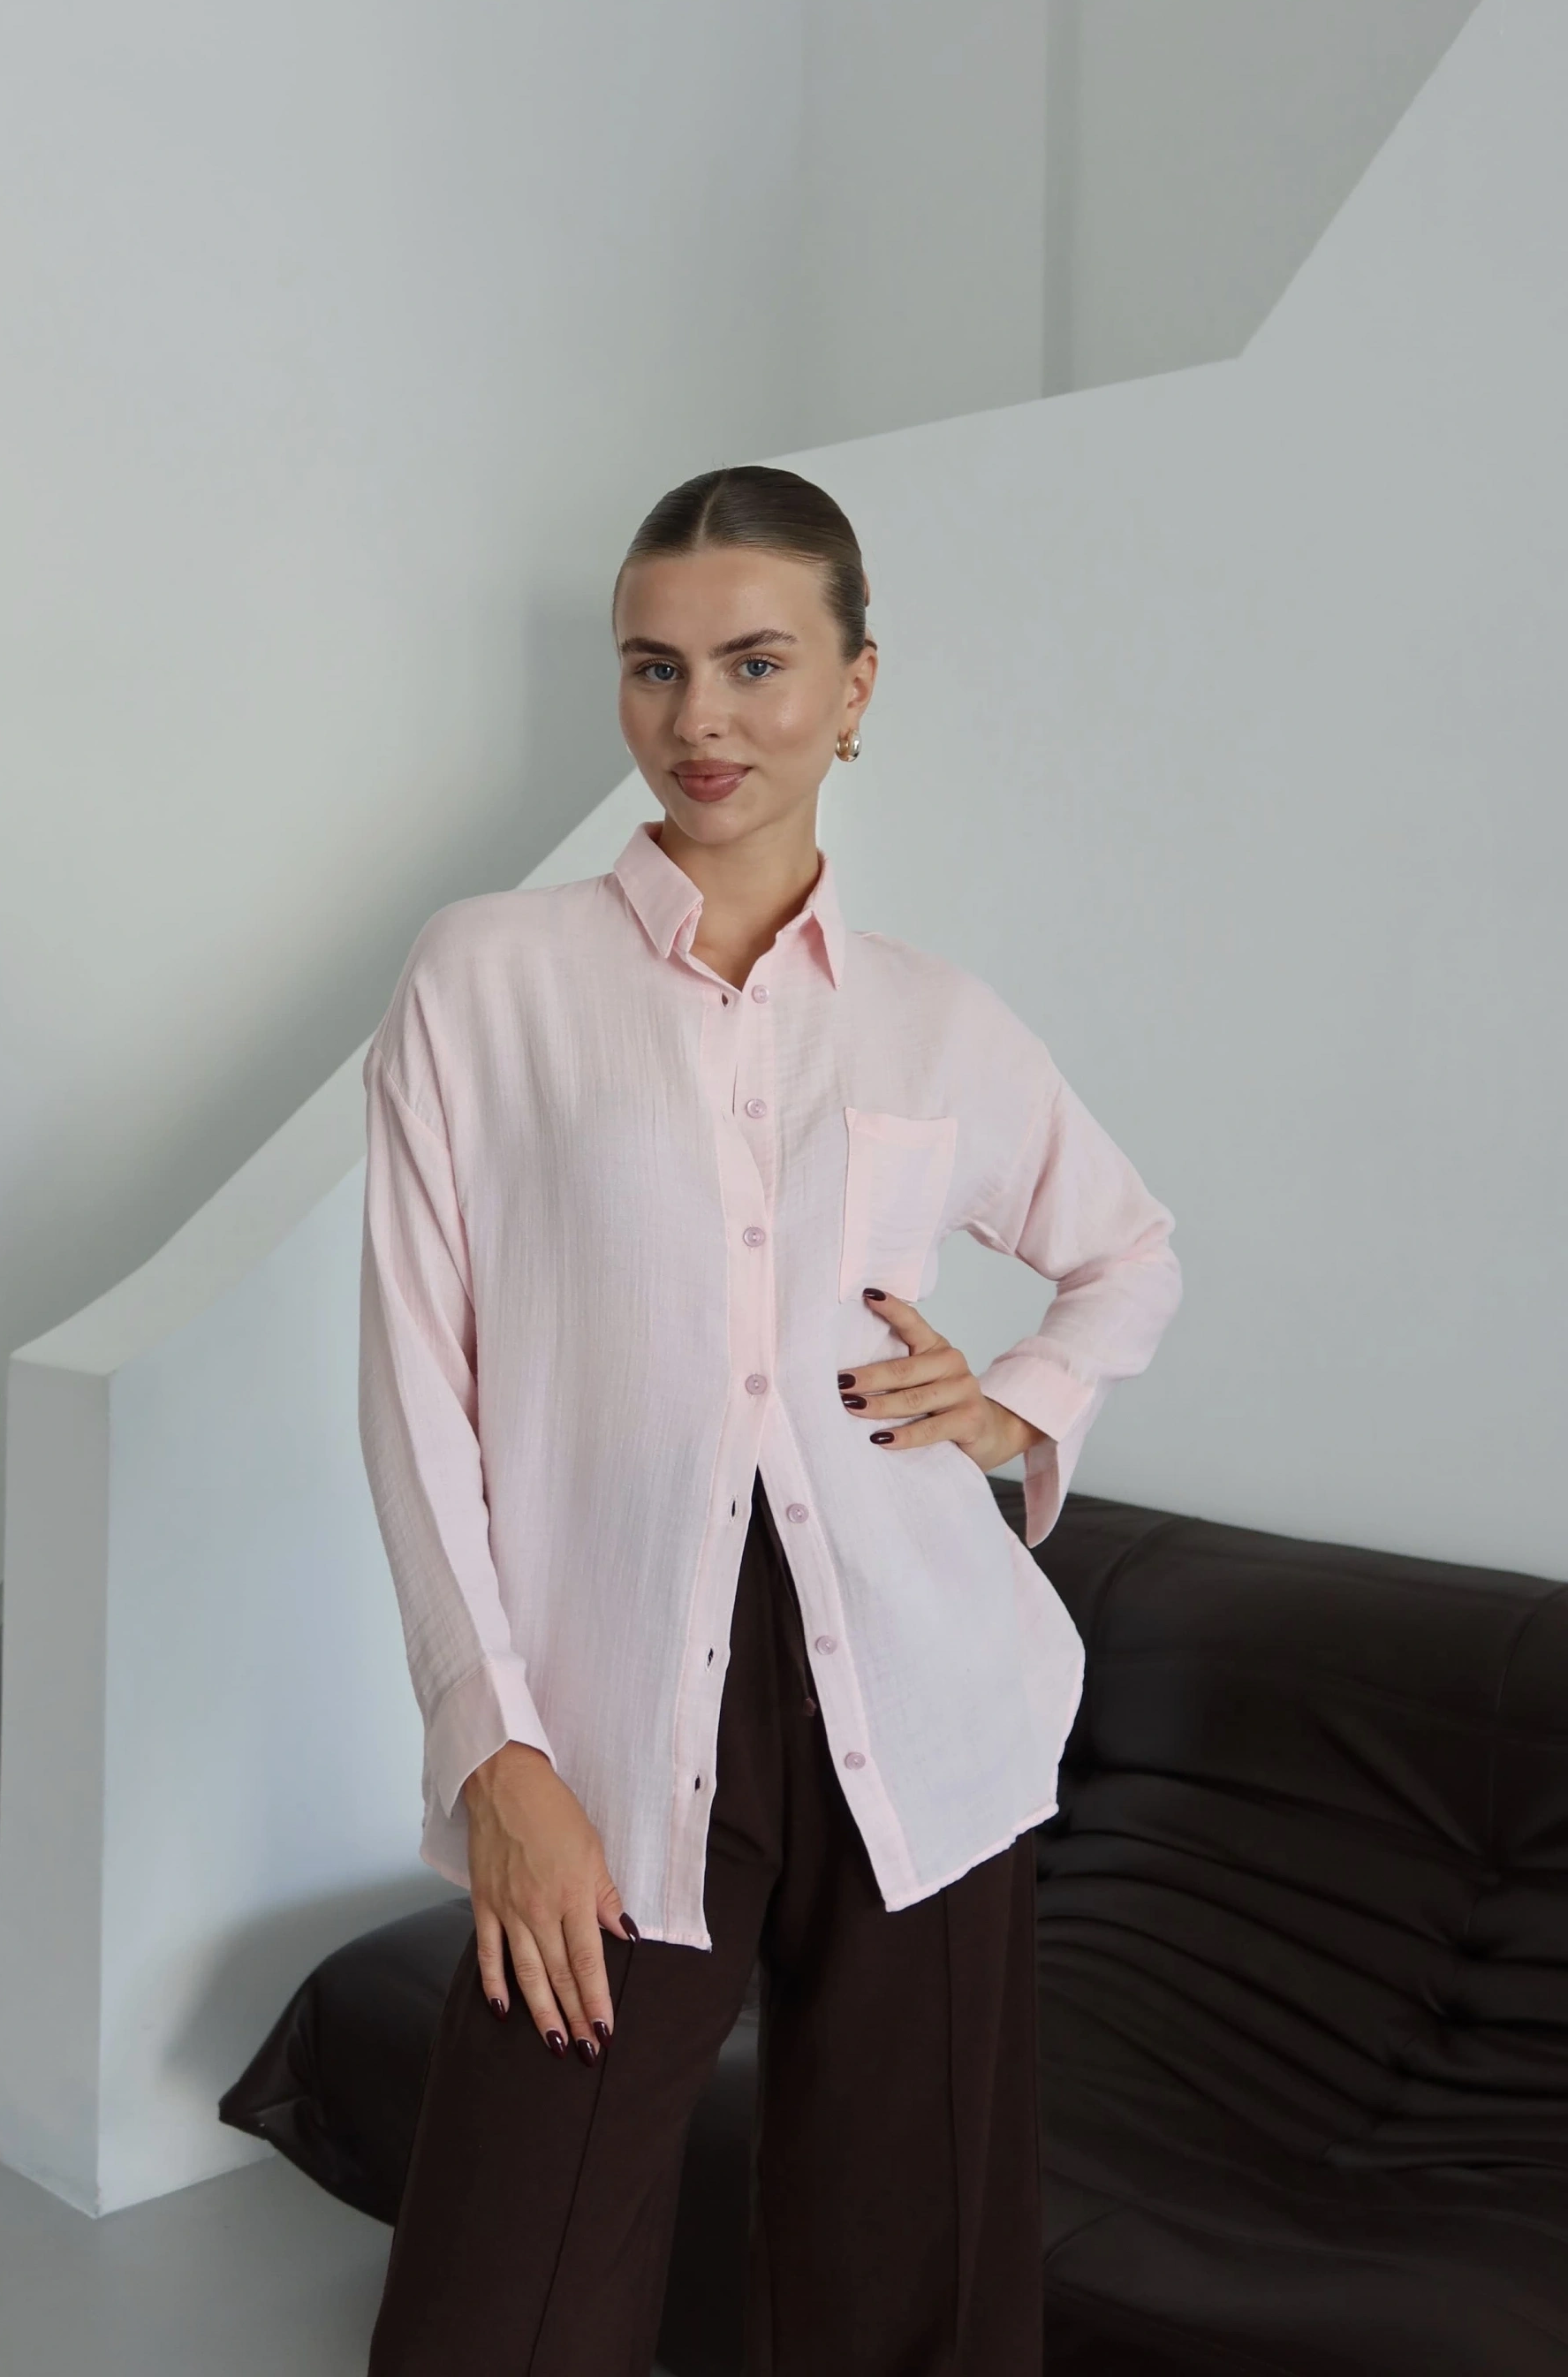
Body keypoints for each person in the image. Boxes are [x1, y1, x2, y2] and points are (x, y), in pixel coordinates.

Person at [356, 464, 1181, 2375]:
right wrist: (495, 1751)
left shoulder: (934, 1020)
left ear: (857, 686)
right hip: (613, 1712)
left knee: (913, 2302)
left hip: (923, 1695)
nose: (699, 719)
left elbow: (1128, 1252)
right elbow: (415, 1391)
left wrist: (1017, 1404)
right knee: (504, 2300)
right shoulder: (485, 979)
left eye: (754, 662)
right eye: (654, 667)